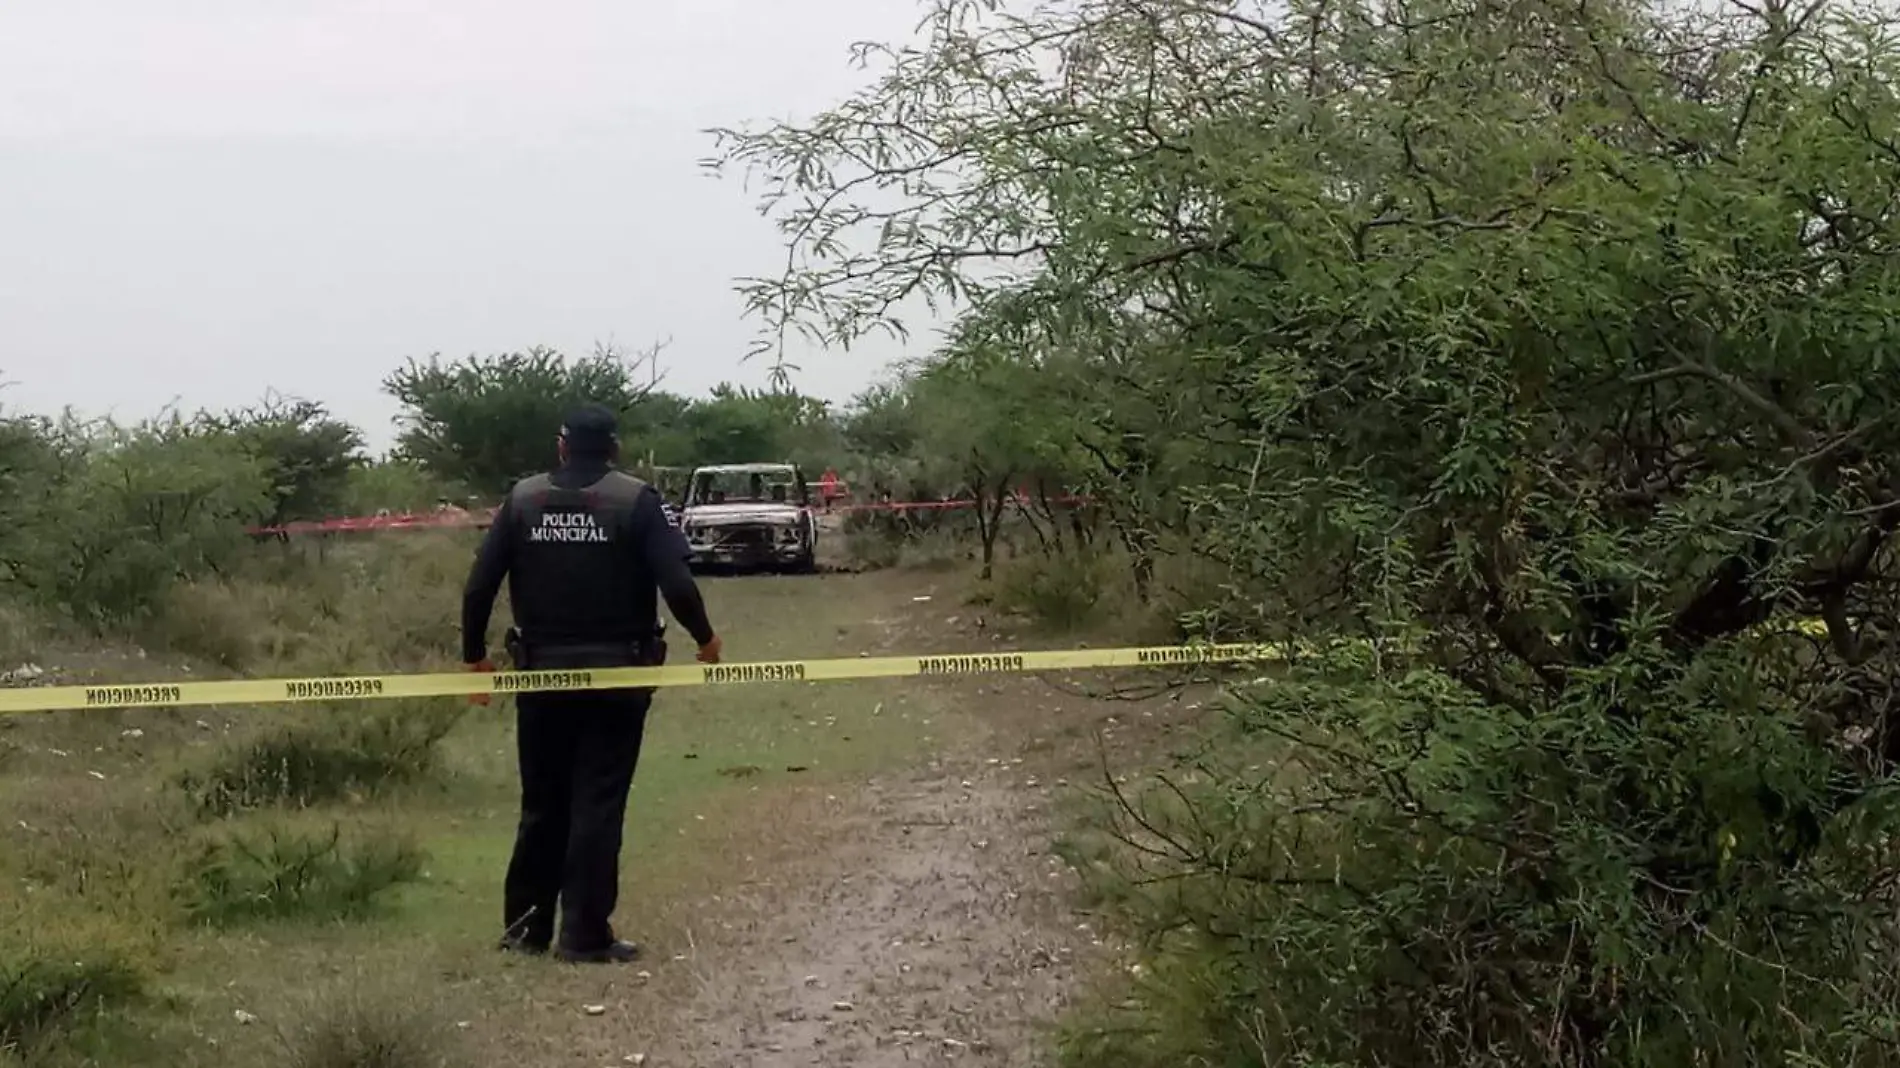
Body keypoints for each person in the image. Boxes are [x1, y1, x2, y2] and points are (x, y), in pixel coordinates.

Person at [460, 403, 723, 964]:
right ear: (613, 449)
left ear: (561, 446)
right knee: (597, 803)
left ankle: (526, 932)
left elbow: (478, 586)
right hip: (617, 678)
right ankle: (583, 935)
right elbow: (676, 581)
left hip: (541, 675)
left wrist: (474, 657)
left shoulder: (523, 500)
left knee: (542, 803)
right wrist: (705, 639)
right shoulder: (635, 501)